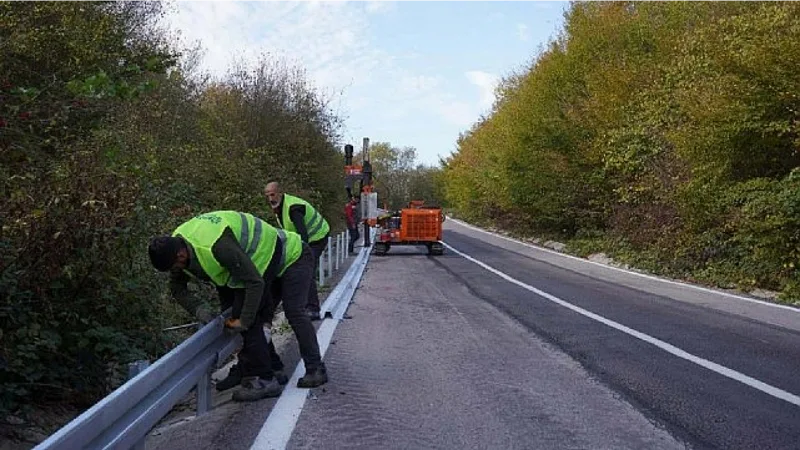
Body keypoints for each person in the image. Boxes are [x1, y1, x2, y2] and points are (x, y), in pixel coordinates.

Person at [148, 211, 328, 402]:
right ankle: (271, 367)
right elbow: (177, 288)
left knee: (290, 313)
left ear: (180, 254)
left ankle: (304, 371)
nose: (177, 271)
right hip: (259, 264)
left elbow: (254, 283)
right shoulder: (175, 245)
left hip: (291, 256)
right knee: (241, 314)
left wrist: (244, 320)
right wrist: (201, 311)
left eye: (176, 266)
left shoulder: (217, 246)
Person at [264, 182, 329, 321]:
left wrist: (299, 257)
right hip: (307, 239)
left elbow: (303, 236)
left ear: (280, 193)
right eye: (267, 195)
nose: (270, 199)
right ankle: (302, 304)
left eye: (273, 194)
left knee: (307, 269)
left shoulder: (294, 208)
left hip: (317, 237)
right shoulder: (279, 207)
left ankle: (313, 309)